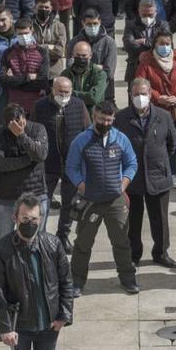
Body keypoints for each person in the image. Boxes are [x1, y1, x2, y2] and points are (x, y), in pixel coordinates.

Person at [0, 193, 74, 350]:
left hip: (49, 324)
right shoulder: (1, 249)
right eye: (25, 219)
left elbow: (66, 282)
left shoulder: (53, 244)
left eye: (34, 219)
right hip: (21, 323)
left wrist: (64, 316)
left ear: (41, 219)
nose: (30, 223)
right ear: (15, 218)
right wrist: (5, 328)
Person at [65, 100, 140, 295]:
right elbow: (71, 167)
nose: (105, 123)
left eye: (108, 120)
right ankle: (78, 282)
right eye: (100, 119)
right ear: (94, 116)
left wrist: (124, 183)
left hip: (116, 201)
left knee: (121, 241)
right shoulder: (82, 140)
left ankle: (128, 279)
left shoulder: (121, 139)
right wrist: (81, 185)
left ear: (113, 118)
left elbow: (132, 163)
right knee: (83, 243)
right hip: (90, 201)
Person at [114, 79, 176, 268]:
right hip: (132, 178)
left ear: (150, 94)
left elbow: (172, 143)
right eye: (135, 94)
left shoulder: (163, 116)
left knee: (160, 219)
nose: (139, 98)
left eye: (143, 93)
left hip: (158, 175)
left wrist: (160, 160)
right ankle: (134, 254)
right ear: (130, 95)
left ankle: (161, 252)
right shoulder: (121, 118)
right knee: (133, 220)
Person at [31, 77, 89, 247]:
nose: (63, 95)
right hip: (48, 164)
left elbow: (87, 131)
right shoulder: (40, 106)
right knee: (43, 202)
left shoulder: (79, 105)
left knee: (69, 203)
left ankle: (63, 236)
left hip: (72, 165)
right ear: (53, 91)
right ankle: (39, 237)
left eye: (66, 92)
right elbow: (34, 131)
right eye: (60, 92)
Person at [0, 103, 49, 241]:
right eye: (12, 124)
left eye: (19, 121)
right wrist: (28, 160)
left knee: (37, 238)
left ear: (24, 117)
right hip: (8, 195)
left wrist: (22, 135)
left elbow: (41, 155)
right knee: (4, 237)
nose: (16, 126)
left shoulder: (37, 129)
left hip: (36, 192)